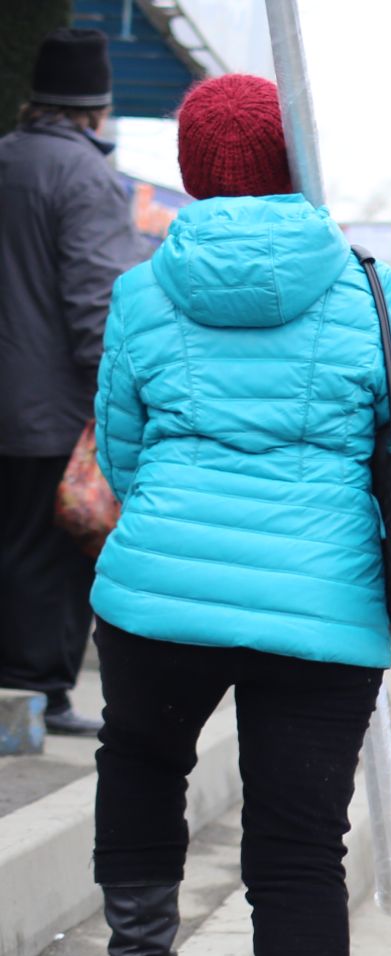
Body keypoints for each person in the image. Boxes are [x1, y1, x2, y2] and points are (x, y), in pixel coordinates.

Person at [87, 75, 391, 956]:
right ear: (295, 162)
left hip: (163, 590)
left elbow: (121, 450)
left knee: (141, 762)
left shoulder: (145, 291)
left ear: (195, 168)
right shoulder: (369, 287)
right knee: (299, 851)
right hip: (321, 602)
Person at [0, 28, 144, 735]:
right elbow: (98, 301)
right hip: (49, 409)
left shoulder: (7, 158)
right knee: (50, 550)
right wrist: (114, 393)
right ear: (96, 108)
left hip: (11, 398)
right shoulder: (83, 175)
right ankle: (38, 694)